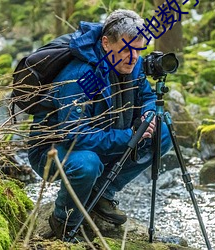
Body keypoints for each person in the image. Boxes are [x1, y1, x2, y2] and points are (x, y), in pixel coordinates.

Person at [28, 9, 172, 241]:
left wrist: (148, 114)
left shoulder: (131, 63)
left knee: (162, 132)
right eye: (126, 49)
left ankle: (102, 193)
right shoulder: (81, 75)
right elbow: (74, 135)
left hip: (104, 136)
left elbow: (146, 96)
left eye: (139, 49)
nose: (134, 57)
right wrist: (129, 136)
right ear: (106, 43)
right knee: (87, 164)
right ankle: (63, 221)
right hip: (54, 150)